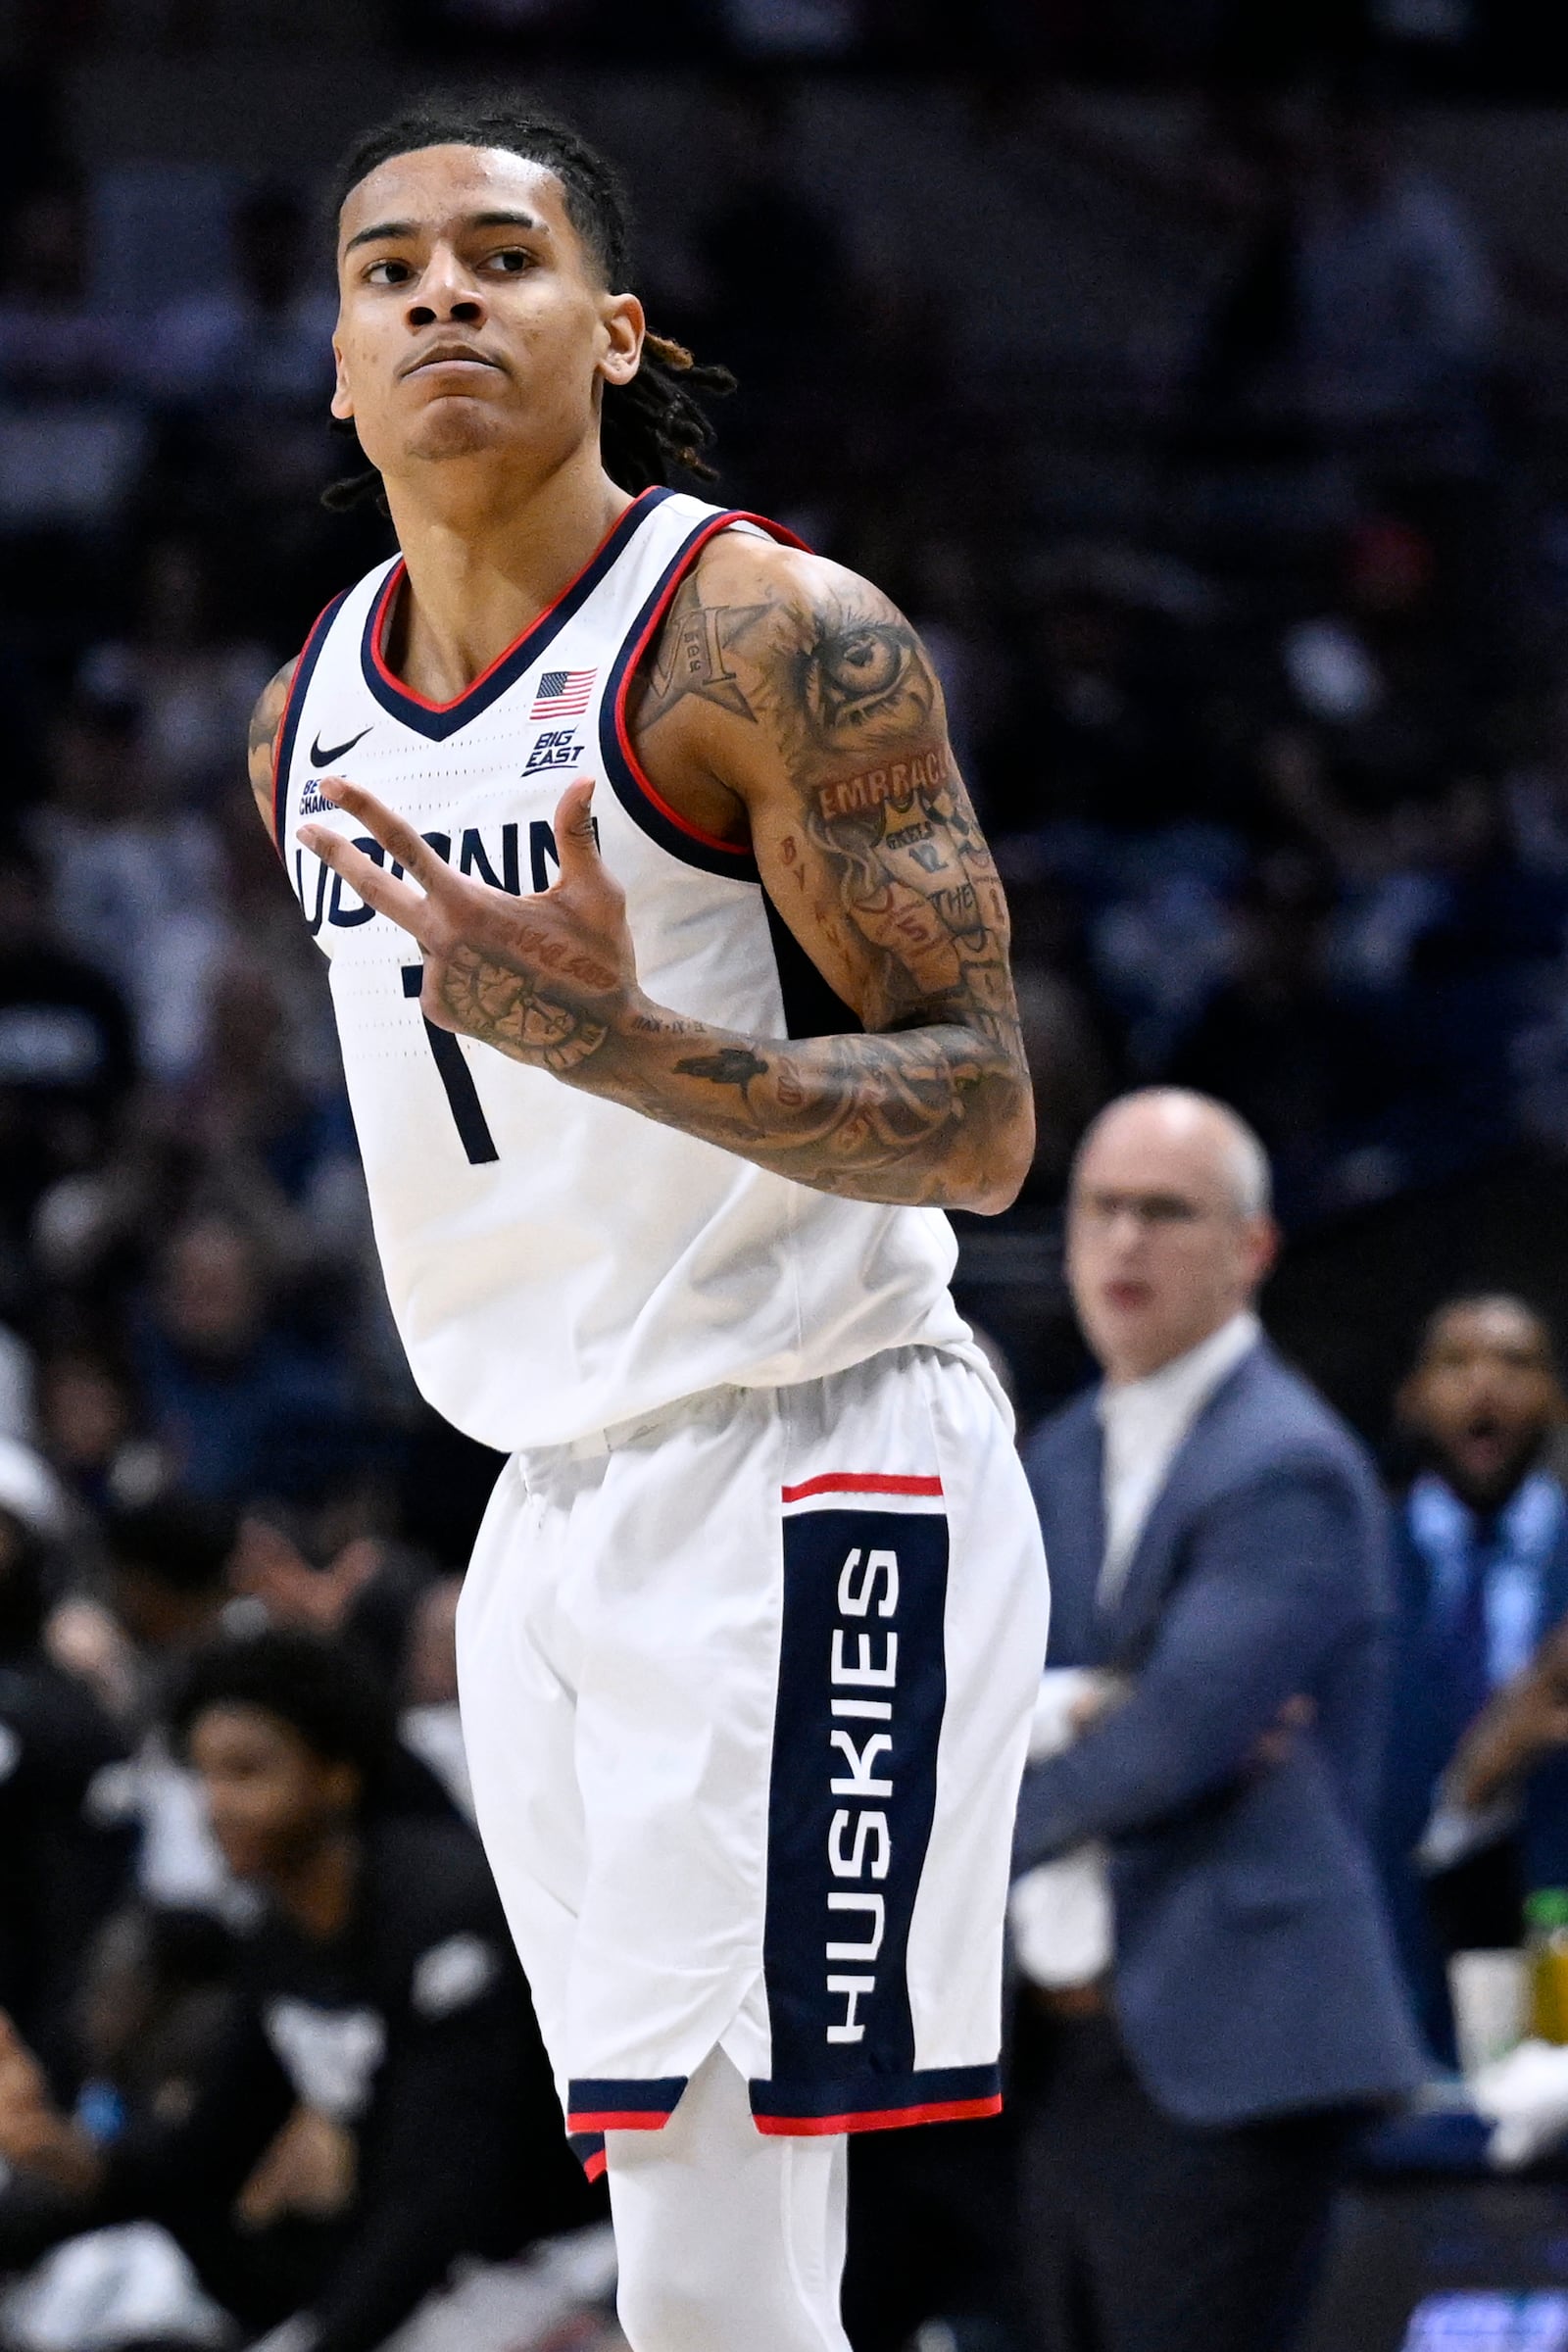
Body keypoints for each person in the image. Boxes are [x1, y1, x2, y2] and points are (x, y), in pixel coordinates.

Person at [246, 97, 1049, 2352]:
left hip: (817, 1439)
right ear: (332, 360)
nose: (436, 296)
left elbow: (982, 1119)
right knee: (682, 2228)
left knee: (716, 2227)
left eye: (496, 259)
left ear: (611, 333)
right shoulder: (300, 713)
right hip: (551, 1495)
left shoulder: (767, 633)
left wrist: (615, 1042)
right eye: (384, 266)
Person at [1012, 1087, 1422, 2352]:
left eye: (1166, 1212)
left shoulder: (1286, 1465)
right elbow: (965, 1701)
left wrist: (963, 1811)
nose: (1124, 1242)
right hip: (1065, 2047)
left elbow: (1170, 1740)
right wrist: (1057, 1719)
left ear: (1252, 1249)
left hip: (1231, 2040)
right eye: (1101, 1209)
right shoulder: (1057, 1452)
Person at [0, 1628, 596, 2352]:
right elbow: (210, 2149)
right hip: (454, 2273)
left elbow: (439, 2196)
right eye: (204, 1775)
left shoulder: (445, 1913)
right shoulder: (281, 1936)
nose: (216, 1805)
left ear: (337, 1774)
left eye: (247, 1772)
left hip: (572, 2254)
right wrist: (63, 2156)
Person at [1380, 1295, 1568, 2061]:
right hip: (1403, 1972)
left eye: (1514, 1363)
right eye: (1456, 1363)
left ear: (1554, 1396)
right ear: (1414, 1397)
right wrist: (1479, 1771)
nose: (1485, 1386)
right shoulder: (1355, 1566)